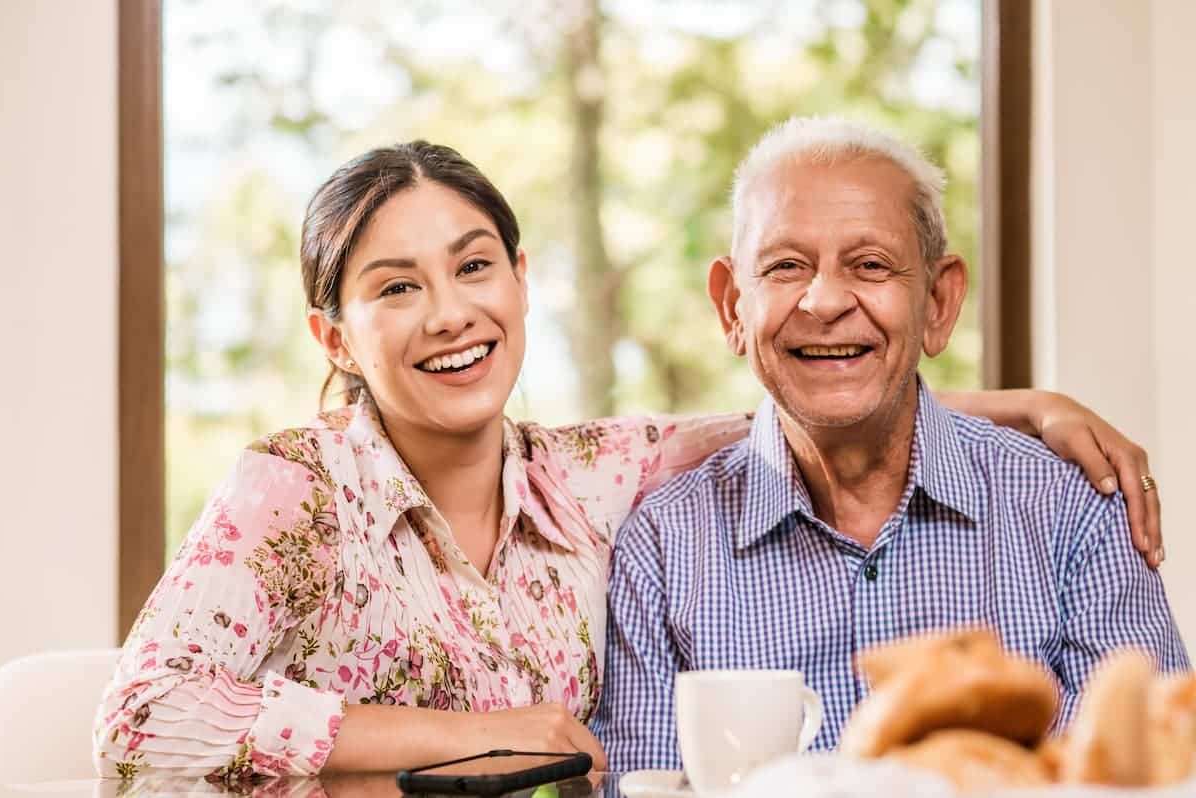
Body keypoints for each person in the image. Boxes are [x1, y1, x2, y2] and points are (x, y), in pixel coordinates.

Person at [96, 140, 1163, 781]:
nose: (450, 313)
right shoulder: (296, 490)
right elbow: (139, 717)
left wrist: (1021, 410)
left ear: (519, 280)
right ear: (336, 338)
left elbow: (803, 394)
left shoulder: (589, 478)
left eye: (473, 266)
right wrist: (471, 737)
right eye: (395, 287)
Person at [589, 117, 1190, 771]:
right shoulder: (662, 546)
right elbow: (636, 784)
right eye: (786, 266)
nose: (823, 301)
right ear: (733, 306)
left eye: (869, 265)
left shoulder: (1072, 509)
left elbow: (1156, 770)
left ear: (937, 301)